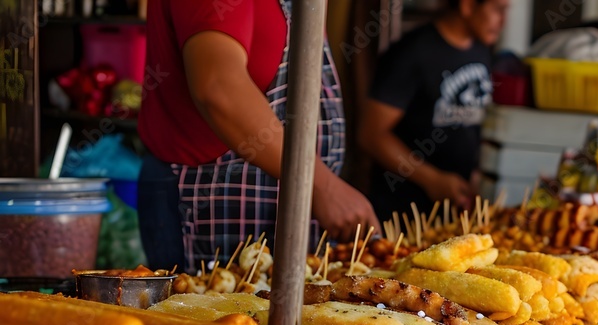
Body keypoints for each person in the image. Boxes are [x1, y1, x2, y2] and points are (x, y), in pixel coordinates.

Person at [138, 0, 380, 272]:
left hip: (282, 199)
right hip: (209, 196)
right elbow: (218, 89)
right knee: (212, 310)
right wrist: (320, 185)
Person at [359, 0, 509, 222]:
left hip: (454, 215)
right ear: (467, 6)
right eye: (498, 9)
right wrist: (432, 180)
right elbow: (371, 136)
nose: (504, 20)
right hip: (402, 215)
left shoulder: (481, 50)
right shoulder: (412, 52)